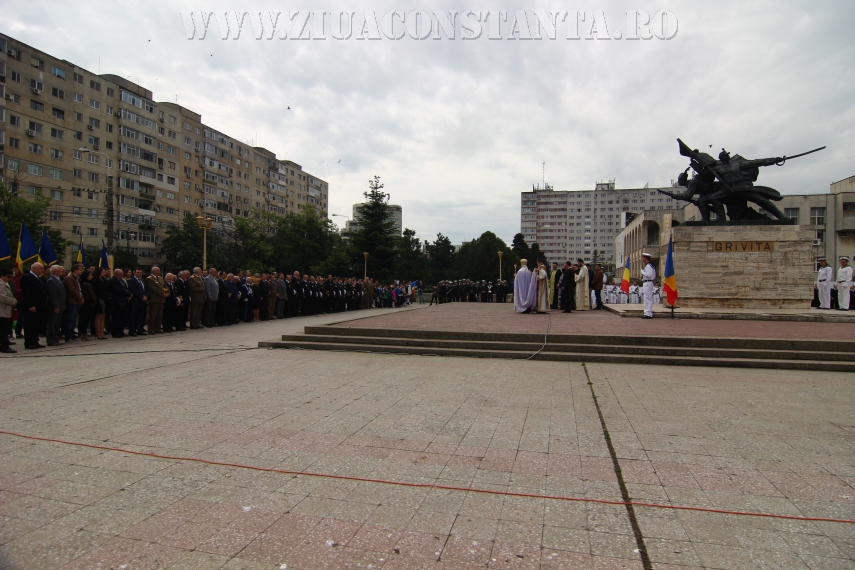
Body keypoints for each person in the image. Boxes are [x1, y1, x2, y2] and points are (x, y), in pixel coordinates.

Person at [20, 262, 47, 349]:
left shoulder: (37, 278)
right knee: (30, 324)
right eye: (41, 269)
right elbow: (27, 293)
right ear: (35, 268)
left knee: (37, 324)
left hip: (39, 305)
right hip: (32, 306)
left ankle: (35, 340)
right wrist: (30, 304)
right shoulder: (27, 277)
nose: (42, 271)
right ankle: (29, 342)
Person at [63, 263, 84, 342]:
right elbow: (72, 290)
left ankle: (72, 334)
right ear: (75, 270)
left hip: (77, 301)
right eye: (79, 270)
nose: (81, 271)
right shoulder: (69, 278)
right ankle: (68, 336)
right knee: (70, 319)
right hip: (72, 301)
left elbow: (79, 290)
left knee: (74, 319)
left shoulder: (76, 278)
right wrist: (79, 298)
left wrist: (82, 298)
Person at [46, 265, 66, 346]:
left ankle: (55, 338)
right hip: (54, 307)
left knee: (57, 324)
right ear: (55, 271)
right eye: (60, 270)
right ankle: (51, 340)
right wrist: (56, 306)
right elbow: (52, 295)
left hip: (60, 305)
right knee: (52, 324)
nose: (62, 271)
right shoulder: (51, 280)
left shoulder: (58, 280)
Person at [108, 268, 131, 338]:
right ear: (116, 274)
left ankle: (120, 330)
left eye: (122, 274)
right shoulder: (113, 281)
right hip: (117, 302)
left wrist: (128, 293)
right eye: (120, 274)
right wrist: (128, 294)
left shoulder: (122, 281)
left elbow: (125, 288)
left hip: (124, 301)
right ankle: (115, 332)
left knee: (122, 317)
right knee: (116, 317)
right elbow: (118, 290)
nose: (121, 275)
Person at [146, 266, 168, 334]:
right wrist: (162, 294)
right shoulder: (150, 279)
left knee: (159, 315)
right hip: (155, 299)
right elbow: (154, 289)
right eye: (159, 271)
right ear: (154, 271)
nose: (160, 272)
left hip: (161, 300)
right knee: (153, 315)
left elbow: (164, 286)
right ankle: (151, 329)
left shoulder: (160, 278)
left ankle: (157, 328)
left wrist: (167, 292)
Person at [0, 268, 17, 353]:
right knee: (3, 330)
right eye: (8, 276)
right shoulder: (1, 284)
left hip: (5, 310)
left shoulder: (6, 283)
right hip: (2, 310)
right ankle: (4, 346)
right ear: (2, 276)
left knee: (4, 329)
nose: (9, 278)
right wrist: (13, 301)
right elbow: (3, 297)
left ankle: (3, 345)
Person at [127, 268, 148, 335]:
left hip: (143, 301)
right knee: (134, 316)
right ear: (134, 273)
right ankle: (132, 330)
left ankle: (140, 329)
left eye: (140, 272)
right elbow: (133, 290)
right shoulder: (131, 281)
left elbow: (147, 290)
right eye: (138, 272)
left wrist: (146, 296)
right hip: (135, 301)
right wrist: (141, 297)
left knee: (141, 316)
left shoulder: (143, 281)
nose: (139, 274)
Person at [79, 269, 97, 341]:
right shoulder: (86, 284)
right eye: (90, 275)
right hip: (87, 304)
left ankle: (83, 333)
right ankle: (84, 334)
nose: (91, 276)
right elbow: (91, 295)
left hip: (85, 303)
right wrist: (93, 301)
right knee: (85, 320)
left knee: (84, 320)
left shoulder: (83, 283)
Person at [91, 266, 109, 340]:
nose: (104, 273)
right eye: (103, 271)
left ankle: (102, 332)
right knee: (99, 316)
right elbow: (98, 291)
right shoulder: (96, 280)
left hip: (104, 299)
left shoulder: (104, 280)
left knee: (103, 316)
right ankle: (98, 333)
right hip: (99, 299)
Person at [641, 252, 656, 319]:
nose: (642, 258)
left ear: (645, 258)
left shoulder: (649, 266)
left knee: (647, 298)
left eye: (643, 257)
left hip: (648, 282)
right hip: (647, 282)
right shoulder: (649, 265)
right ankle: (647, 312)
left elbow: (649, 275)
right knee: (647, 298)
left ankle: (648, 313)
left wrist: (642, 272)